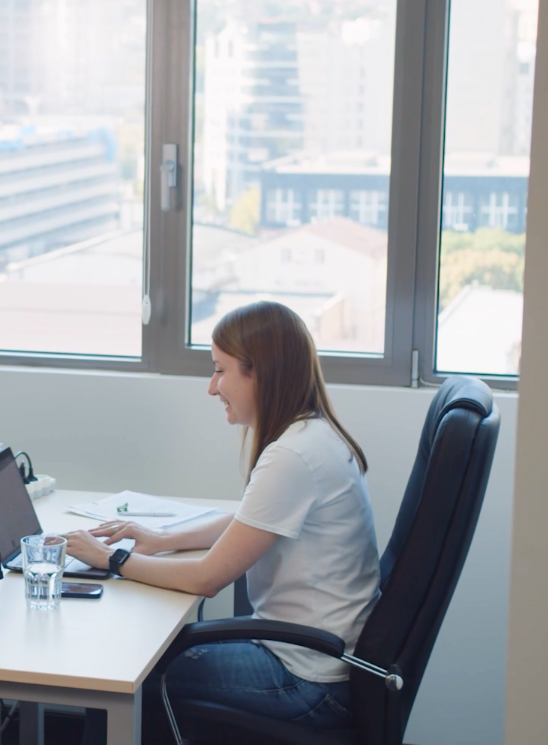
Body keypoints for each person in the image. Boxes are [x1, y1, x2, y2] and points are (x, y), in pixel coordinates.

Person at [65, 301, 380, 730]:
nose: (212, 388)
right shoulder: (311, 433)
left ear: (260, 373)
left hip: (308, 679)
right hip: (317, 656)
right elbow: (249, 521)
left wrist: (111, 559)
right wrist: (162, 540)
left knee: (129, 671)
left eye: (220, 370)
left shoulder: (293, 455)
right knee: (146, 650)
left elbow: (206, 580)